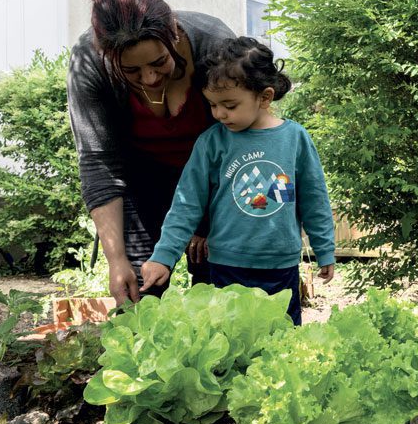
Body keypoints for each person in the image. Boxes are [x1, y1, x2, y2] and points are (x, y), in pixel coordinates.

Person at [68, 0, 234, 304]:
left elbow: (246, 137)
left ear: (173, 31)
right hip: (140, 183)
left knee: (219, 289)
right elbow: (99, 164)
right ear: (107, 56)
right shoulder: (89, 61)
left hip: (215, 179)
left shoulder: (214, 43)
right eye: (131, 70)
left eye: (159, 63)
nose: (149, 78)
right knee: (141, 292)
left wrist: (211, 221)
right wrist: (116, 261)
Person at [140, 37, 335, 324]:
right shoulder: (211, 143)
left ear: (264, 97)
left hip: (280, 268)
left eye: (229, 105)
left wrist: (325, 248)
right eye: (213, 105)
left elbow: (314, 198)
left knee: (281, 344)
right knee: (230, 346)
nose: (219, 114)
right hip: (226, 267)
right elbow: (185, 204)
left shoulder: (294, 138)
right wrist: (163, 256)